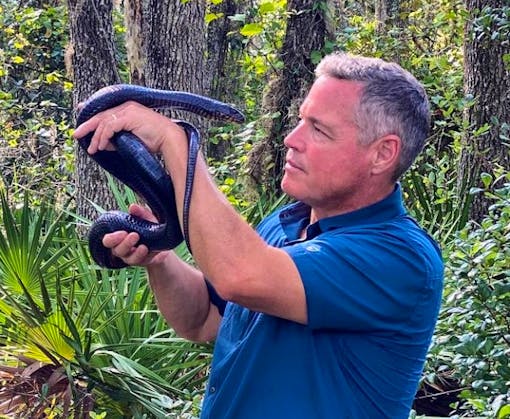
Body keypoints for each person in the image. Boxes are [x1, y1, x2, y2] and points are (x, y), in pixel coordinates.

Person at [73, 52, 444, 418]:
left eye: (319, 129)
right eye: (301, 121)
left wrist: (178, 143)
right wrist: (161, 259)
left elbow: (238, 275)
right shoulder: (282, 225)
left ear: (382, 154)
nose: (292, 139)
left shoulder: (400, 258)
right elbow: (202, 319)